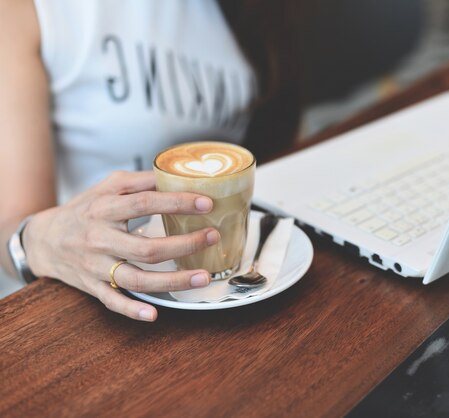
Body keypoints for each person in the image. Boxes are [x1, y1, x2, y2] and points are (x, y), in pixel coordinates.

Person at [0, 0, 300, 321]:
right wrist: (38, 241)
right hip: (86, 298)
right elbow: (9, 225)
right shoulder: (26, 10)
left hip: (225, 297)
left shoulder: (252, 12)